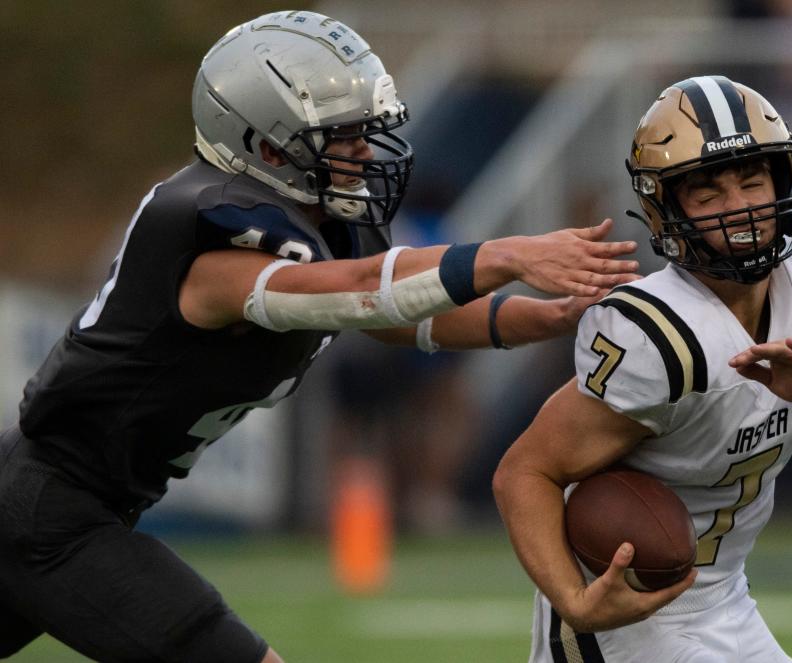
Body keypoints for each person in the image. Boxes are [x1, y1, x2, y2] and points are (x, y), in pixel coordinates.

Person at [0, 11, 641, 663]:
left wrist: (547, 316)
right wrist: (506, 253)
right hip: (49, 509)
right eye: (344, 136)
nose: (365, 150)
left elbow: (398, 317)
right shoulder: (213, 250)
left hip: (69, 503)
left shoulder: (315, 224)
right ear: (269, 147)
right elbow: (362, 287)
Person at [492, 75, 792, 662]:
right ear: (664, 209)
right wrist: (574, 600)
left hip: (727, 599)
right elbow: (524, 472)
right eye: (708, 193)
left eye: (751, 180)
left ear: (784, 179)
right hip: (629, 616)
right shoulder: (657, 336)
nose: (739, 207)